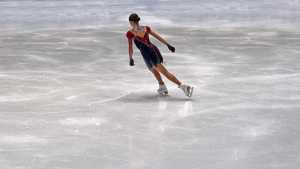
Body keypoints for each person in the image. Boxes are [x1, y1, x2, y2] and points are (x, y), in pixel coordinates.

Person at [125, 13, 193, 97]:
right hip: (150, 51)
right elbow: (158, 37)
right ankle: (162, 86)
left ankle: (184, 87)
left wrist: (131, 58)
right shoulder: (145, 28)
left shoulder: (131, 33)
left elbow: (130, 46)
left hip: (150, 53)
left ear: (131, 22)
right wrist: (168, 44)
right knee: (153, 70)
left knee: (164, 72)